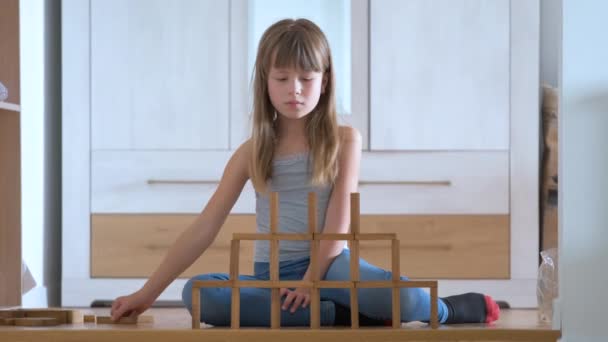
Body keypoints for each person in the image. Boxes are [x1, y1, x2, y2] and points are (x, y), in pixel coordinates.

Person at [110, 18, 500, 327]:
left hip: (330, 264)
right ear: (265, 82)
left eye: (306, 79)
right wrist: (146, 294)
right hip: (271, 273)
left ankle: (447, 309)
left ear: (325, 80)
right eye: (281, 78)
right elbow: (205, 226)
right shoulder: (251, 152)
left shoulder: (344, 139)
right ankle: (345, 316)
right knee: (198, 295)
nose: (294, 89)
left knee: (409, 300)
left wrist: (312, 279)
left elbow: (338, 220)